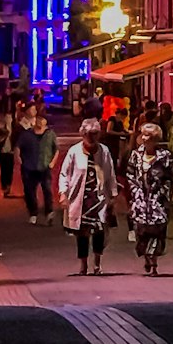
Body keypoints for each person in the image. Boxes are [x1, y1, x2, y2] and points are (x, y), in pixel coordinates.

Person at [58, 118, 118, 276]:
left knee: (99, 230)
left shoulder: (104, 151)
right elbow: (65, 174)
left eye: (95, 134)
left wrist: (113, 195)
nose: (92, 138)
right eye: (89, 134)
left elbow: (110, 173)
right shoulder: (74, 152)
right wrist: (63, 193)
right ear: (83, 134)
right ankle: (83, 265)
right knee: (82, 233)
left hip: (98, 198)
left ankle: (97, 264)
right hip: (80, 198)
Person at [126, 123, 173, 276]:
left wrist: (164, 192)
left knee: (157, 231)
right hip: (140, 201)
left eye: (149, 137)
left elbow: (171, 176)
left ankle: (154, 263)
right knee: (142, 233)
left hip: (157, 200)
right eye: (144, 136)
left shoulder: (165, 156)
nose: (145, 139)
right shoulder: (136, 155)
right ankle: (146, 258)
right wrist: (135, 192)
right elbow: (130, 175)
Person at [17, 114, 59, 225]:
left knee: (47, 189)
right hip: (29, 166)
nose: (40, 123)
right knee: (30, 191)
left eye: (42, 120)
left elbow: (56, 149)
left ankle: (49, 212)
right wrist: (20, 159)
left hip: (45, 166)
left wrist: (52, 163)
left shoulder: (50, 134)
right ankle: (33, 213)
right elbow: (18, 147)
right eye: (38, 120)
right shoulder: (27, 134)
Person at [0, 106, 19, 197]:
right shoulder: (1, 129)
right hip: (2, 152)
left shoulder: (14, 129)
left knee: (10, 170)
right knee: (4, 169)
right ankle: (4, 187)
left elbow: (17, 138)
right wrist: (3, 137)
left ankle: (8, 186)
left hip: (10, 152)